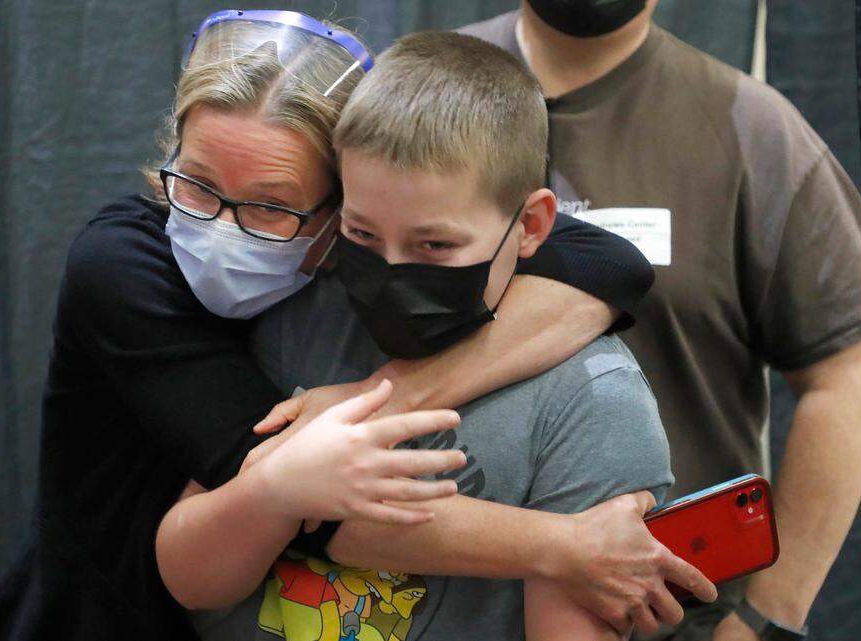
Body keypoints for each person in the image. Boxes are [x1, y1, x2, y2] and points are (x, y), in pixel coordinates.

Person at [0, 10, 713, 641]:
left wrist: (384, 391)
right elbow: (304, 506)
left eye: (270, 205)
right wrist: (565, 548)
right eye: (193, 184)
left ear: (334, 205)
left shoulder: (338, 267)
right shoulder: (125, 263)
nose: (222, 230)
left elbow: (610, 263)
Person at [163, 31, 676, 641]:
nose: (391, 273)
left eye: (434, 245)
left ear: (533, 224)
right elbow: (190, 578)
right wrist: (274, 491)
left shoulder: (591, 400)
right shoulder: (295, 317)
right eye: (361, 235)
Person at [460, 2, 861, 640]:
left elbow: (845, 378)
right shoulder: (425, 89)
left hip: (675, 613)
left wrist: (764, 620)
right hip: (433, 603)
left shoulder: (750, 129)